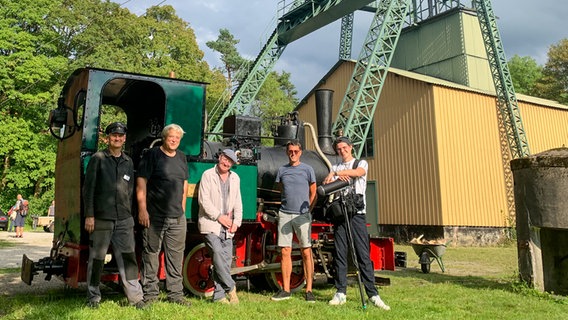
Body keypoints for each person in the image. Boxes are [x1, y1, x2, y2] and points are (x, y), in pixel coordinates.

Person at [82, 122, 145, 309]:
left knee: (129, 258)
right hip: (101, 218)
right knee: (97, 258)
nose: (117, 138)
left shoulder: (129, 161)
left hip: (124, 219)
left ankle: (135, 298)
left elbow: (131, 190)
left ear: (124, 138)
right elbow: (89, 189)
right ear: (107, 138)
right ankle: (93, 298)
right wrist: (90, 215)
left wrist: (131, 216)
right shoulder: (98, 158)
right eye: (113, 135)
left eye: (120, 136)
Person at [322, 136, 390, 310]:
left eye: (344, 147)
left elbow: (359, 173)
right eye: (339, 149)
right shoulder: (335, 166)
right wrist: (331, 177)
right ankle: (340, 292)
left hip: (357, 214)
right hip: (340, 214)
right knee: (340, 252)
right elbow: (326, 183)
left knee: (362, 254)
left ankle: (373, 294)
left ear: (350, 147)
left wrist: (338, 174)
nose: (342, 151)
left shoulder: (360, 163)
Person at [137, 123, 190, 306]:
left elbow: (184, 184)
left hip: (177, 217)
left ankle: (175, 295)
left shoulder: (182, 157)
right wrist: (143, 210)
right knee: (151, 255)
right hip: (154, 216)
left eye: (177, 138)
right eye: (171, 137)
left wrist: (182, 209)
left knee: (176, 257)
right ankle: (150, 295)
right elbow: (141, 182)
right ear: (164, 137)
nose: (174, 140)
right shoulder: (152, 155)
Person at [271, 141, 317, 302]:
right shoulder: (282, 170)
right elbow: (281, 190)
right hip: (284, 214)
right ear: (287, 152)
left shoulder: (308, 169)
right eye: (290, 151)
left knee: (306, 251)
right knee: (285, 252)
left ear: (300, 152)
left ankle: (309, 290)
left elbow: (313, 192)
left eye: (296, 151)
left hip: (302, 215)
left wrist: (308, 210)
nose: (293, 153)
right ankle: (285, 290)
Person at [198, 149, 243, 304]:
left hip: (228, 227)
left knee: (223, 261)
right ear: (220, 157)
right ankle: (231, 288)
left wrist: (237, 222)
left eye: (230, 161)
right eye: (225, 159)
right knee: (217, 253)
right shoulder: (207, 175)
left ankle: (219, 296)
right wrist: (219, 217)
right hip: (211, 223)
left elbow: (238, 202)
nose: (226, 163)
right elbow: (204, 201)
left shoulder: (235, 178)